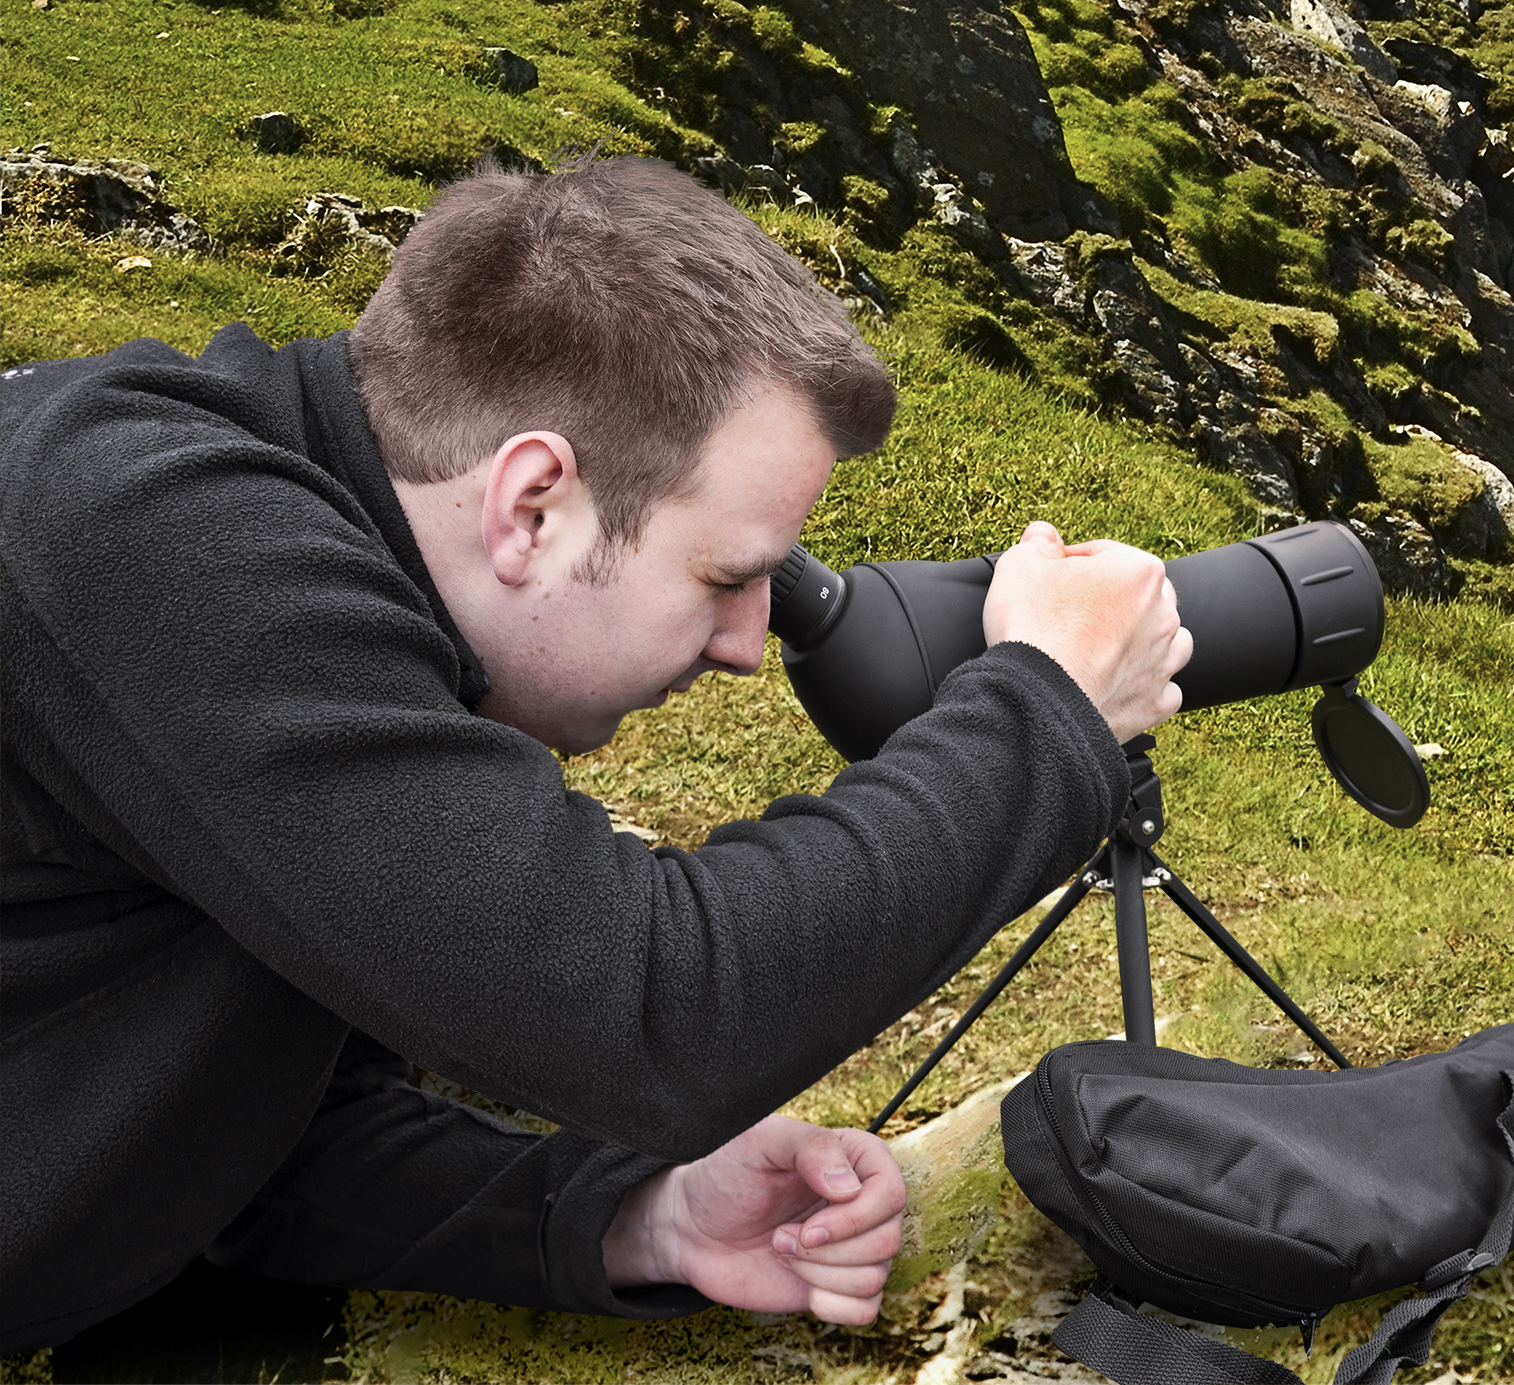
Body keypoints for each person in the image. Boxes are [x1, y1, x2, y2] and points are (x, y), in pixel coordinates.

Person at [0, 157, 1194, 1352]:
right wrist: (1050, 712)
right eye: (729, 579)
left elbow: (253, 1141)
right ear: (530, 505)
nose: (745, 647)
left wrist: (638, 1216)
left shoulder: (301, 574)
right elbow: (649, 1012)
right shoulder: (150, 532)